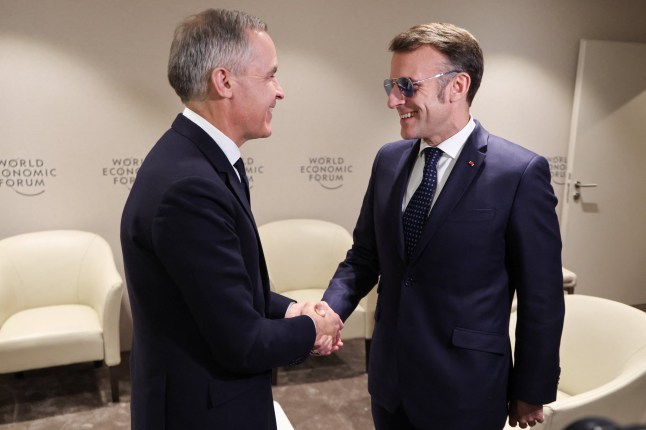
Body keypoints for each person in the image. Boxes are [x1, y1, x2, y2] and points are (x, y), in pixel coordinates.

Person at [322, 22, 565, 429]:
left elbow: (541, 296)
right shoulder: (388, 160)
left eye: (406, 85)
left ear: (457, 86)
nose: (393, 100)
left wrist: (531, 388)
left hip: (466, 391)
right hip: (390, 384)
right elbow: (364, 256)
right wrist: (329, 310)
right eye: (391, 85)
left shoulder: (519, 173)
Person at [120, 9, 343, 430]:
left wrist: (292, 310)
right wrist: (313, 327)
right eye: (270, 76)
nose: (280, 92)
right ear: (223, 82)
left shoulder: (198, 161)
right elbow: (242, 343)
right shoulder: (189, 187)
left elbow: (225, 293)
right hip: (202, 414)